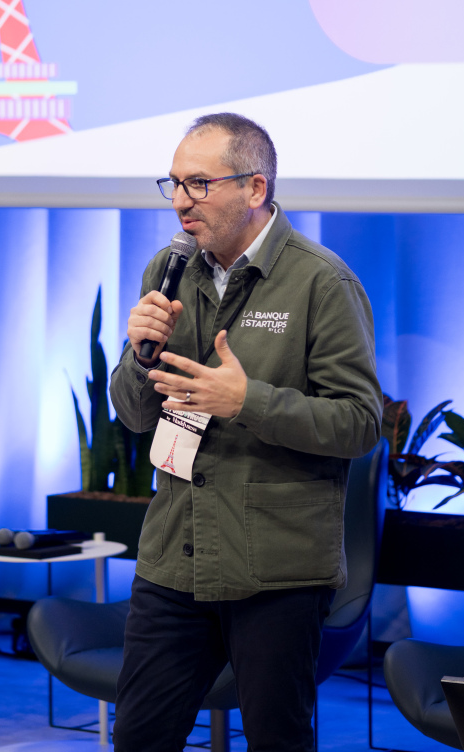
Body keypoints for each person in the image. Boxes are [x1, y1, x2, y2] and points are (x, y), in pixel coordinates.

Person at [109, 112, 382, 752]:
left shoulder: (321, 281)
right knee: (139, 738)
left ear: (255, 188)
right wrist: (139, 356)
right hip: (175, 555)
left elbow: (360, 422)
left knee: (276, 741)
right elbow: (134, 416)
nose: (181, 201)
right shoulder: (168, 270)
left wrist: (246, 401)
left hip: (276, 567)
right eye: (174, 184)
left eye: (199, 184)